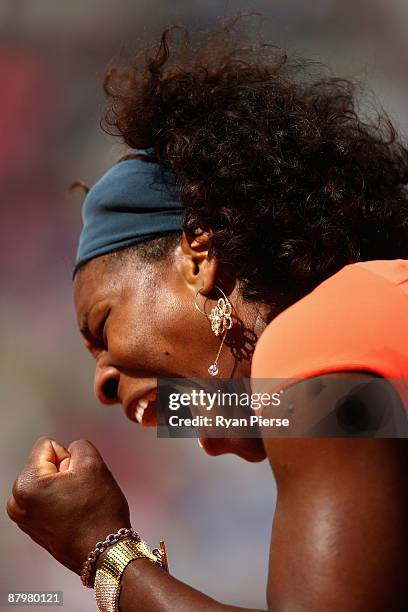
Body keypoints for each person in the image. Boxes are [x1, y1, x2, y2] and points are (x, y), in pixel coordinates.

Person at [7, 22, 408, 612]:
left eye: (102, 326)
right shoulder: (366, 320)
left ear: (198, 254)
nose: (101, 383)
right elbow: (299, 412)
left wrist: (103, 551)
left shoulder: (320, 331)